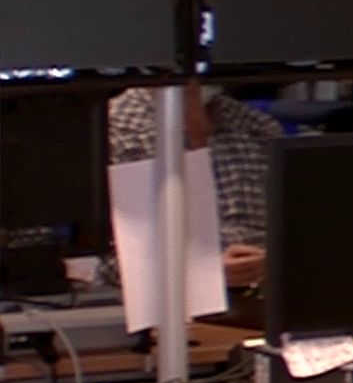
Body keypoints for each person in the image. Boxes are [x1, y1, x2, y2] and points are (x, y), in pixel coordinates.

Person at [104, 83, 281, 290]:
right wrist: (200, 270)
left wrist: (273, 261)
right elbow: (98, 263)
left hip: (263, 294)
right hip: (159, 299)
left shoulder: (255, 125)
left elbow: (295, 228)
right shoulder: (110, 130)